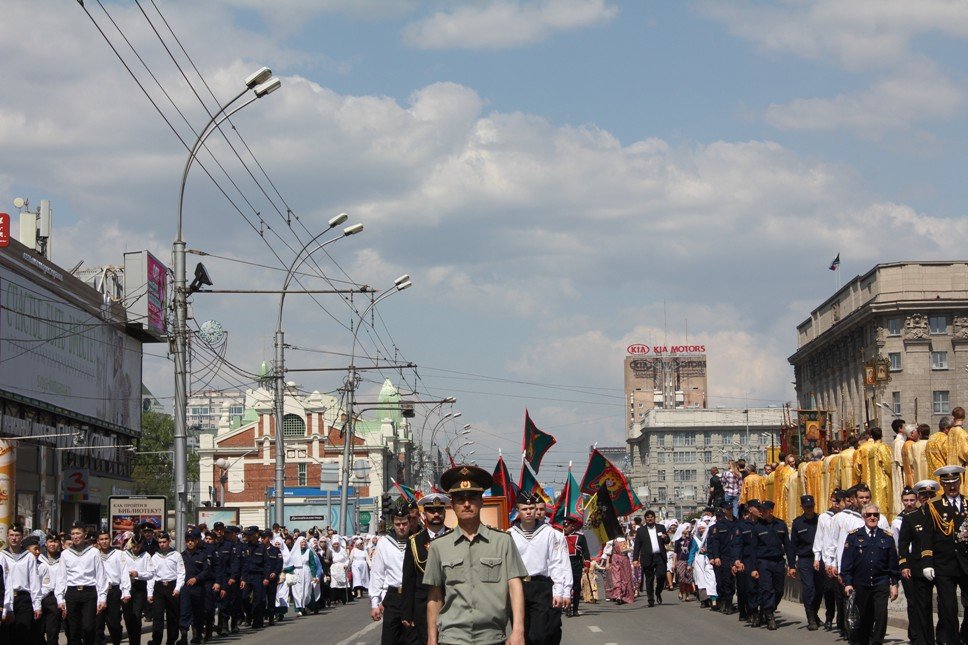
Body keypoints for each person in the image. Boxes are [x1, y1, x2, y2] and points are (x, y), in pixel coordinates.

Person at [424, 464, 527, 645]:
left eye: (472, 497)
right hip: (452, 638)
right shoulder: (438, 547)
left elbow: (515, 586)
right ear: (452, 505)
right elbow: (435, 597)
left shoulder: (502, 542)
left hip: (493, 637)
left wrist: (518, 629)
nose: (466, 503)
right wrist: (432, 640)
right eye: (459, 498)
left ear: (482, 501)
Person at [508, 491, 571, 644]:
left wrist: (562, 591)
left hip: (541, 586)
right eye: (524, 509)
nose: (529, 512)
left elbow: (557, 563)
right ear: (518, 510)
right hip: (518, 586)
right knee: (522, 631)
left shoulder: (549, 533)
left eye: (531, 508)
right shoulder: (509, 534)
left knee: (541, 634)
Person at [921, 464, 968, 645]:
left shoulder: (966, 503)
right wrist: (927, 562)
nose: (952, 486)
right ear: (942, 484)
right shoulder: (934, 506)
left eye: (955, 482)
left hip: (965, 563)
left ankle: (965, 633)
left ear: (960, 481)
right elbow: (927, 536)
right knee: (948, 608)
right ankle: (954, 641)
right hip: (944, 565)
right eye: (948, 483)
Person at [841, 503, 900, 645]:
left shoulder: (887, 537)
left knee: (881, 615)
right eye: (869, 515)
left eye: (875, 515)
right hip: (861, 583)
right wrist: (848, 582)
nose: (872, 517)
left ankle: (877, 642)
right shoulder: (854, 536)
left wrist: (894, 584)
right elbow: (847, 563)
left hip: (880, 583)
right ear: (863, 516)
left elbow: (893, 563)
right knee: (863, 616)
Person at [401, 492, 452, 644]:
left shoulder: (455, 536)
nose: (436, 514)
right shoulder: (415, 541)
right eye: (431, 511)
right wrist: (407, 613)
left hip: (450, 601)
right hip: (422, 606)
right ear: (424, 514)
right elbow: (408, 579)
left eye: (440, 510)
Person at [367, 500, 414, 644]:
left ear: (410, 522)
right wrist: (375, 603)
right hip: (393, 597)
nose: (401, 527)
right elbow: (377, 574)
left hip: (412, 595)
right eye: (397, 524)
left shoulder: (416, 540)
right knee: (390, 639)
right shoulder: (384, 543)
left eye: (404, 523)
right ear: (392, 524)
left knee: (412, 638)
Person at [897, 481, 936, 645]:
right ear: (919, 498)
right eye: (923, 496)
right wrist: (904, 565)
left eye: (930, 495)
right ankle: (924, 640)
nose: (926, 498)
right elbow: (903, 544)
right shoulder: (912, 517)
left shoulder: (941, 514)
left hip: (943, 564)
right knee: (922, 605)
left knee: (948, 604)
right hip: (919, 566)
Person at [56, 523, 108, 645]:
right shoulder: (65, 554)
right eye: (73, 534)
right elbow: (61, 578)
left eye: (78, 533)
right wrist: (60, 599)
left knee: (88, 627)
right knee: (73, 630)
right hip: (72, 593)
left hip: (89, 592)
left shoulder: (94, 552)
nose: (75, 536)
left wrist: (102, 598)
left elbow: (101, 576)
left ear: (85, 534)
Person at [750, 500, 789, 630]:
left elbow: (788, 546)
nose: (761, 512)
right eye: (760, 510)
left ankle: (767, 609)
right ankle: (770, 615)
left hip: (778, 561)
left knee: (779, 590)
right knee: (767, 589)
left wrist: (792, 564)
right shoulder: (757, 527)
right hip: (763, 562)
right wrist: (753, 568)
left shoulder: (781, 525)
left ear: (771, 511)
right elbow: (753, 550)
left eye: (764, 510)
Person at [0, 524, 41, 644]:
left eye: (17, 535)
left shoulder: (29, 557)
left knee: (22, 634)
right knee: (6, 635)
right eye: (11, 535)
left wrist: (37, 605)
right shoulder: (2, 556)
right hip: (6, 599)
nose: (14, 538)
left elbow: (34, 582)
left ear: (22, 537)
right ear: (7, 537)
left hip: (23, 599)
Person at [788, 494, 822, 630]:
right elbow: (792, 546)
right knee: (809, 588)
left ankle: (814, 612)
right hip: (805, 559)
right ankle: (811, 618)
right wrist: (791, 565)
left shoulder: (820, 520)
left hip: (818, 558)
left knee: (819, 589)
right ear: (802, 507)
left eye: (811, 506)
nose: (809, 509)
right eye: (807, 507)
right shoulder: (798, 523)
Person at [148, 531, 185, 645]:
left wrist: (178, 588)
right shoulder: (154, 557)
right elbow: (151, 575)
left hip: (172, 586)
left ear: (169, 542)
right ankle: (156, 639)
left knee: (172, 615)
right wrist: (150, 592)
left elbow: (181, 573)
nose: (162, 544)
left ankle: (171, 640)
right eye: (160, 542)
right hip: (159, 587)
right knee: (157, 615)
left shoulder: (176, 555)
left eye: (164, 542)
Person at [95, 529, 131, 645]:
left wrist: (126, 591)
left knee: (114, 623)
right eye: (101, 539)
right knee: (97, 622)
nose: (104, 541)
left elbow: (124, 572)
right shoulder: (94, 555)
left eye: (106, 539)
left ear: (110, 540)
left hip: (113, 591)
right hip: (98, 591)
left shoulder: (119, 554)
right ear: (98, 541)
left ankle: (116, 641)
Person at [631, 509, 669, 608]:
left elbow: (667, 541)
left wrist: (665, 538)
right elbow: (637, 546)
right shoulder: (641, 530)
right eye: (648, 517)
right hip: (647, 557)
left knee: (661, 576)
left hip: (659, 556)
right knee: (649, 579)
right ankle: (650, 599)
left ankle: (658, 591)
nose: (650, 519)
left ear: (654, 518)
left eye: (651, 517)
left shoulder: (661, 527)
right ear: (645, 519)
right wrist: (635, 559)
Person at [179, 529, 211, 644]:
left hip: (198, 588)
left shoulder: (202, 556)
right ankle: (183, 637)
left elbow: (206, 571)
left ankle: (197, 635)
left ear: (196, 541)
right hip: (185, 589)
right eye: (188, 541)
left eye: (192, 540)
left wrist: (196, 578)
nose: (190, 543)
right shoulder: (181, 556)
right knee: (184, 612)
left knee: (198, 612)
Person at [120, 537, 153, 645]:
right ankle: (131, 638)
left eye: (138, 546)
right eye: (134, 546)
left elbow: (150, 574)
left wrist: (138, 574)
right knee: (128, 616)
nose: (136, 549)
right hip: (127, 586)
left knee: (137, 615)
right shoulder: (124, 554)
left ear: (141, 545)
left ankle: (136, 642)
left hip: (139, 587)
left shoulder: (146, 556)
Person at [707, 501, 737, 614]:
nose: (730, 510)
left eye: (731, 508)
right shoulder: (719, 525)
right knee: (722, 582)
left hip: (734, 556)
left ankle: (728, 604)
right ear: (724, 510)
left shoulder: (737, 523)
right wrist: (715, 556)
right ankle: (723, 601)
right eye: (728, 509)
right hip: (723, 557)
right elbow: (715, 543)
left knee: (730, 582)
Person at [38, 533, 64, 645]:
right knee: (38, 631)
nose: (53, 544)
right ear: (45, 543)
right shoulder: (39, 557)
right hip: (39, 597)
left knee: (52, 632)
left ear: (59, 543)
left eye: (55, 541)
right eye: (50, 541)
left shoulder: (63, 558)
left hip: (55, 598)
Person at [561, 515, 589, 617]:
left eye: (566, 525)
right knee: (565, 587)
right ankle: (567, 608)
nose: (564, 527)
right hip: (563, 564)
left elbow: (585, 551)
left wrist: (586, 564)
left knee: (576, 587)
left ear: (572, 526)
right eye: (564, 525)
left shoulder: (580, 537)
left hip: (575, 563)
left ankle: (575, 609)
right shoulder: (560, 536)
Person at [927, 417, 951, 485]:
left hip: (932, 476)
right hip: (944, 477)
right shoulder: (945, 439)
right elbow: (949, 458)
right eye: (951, 428)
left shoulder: (931, 438)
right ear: (946, 428)